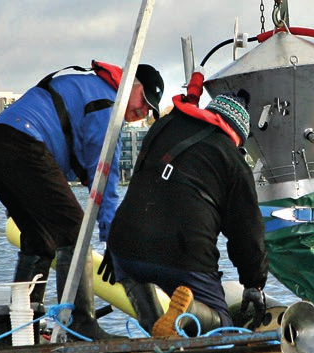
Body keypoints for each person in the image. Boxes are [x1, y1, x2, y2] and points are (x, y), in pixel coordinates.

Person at [0, 60, 163, 340]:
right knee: (75, 232)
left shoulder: (93, 90)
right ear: (131, 85)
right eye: (144, 100)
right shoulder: (106, 103)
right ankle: (80, 324)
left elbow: (94, 176)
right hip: (24, 142)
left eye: (150, 110)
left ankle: (22, 328)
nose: (143, 111)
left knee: (39, 241)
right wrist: (114, 240)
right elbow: (105, 178)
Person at [104, 90, 268, 338]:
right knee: (222, 326)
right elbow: (247, 233)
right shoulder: (234, 160)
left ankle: (158, 330)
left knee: (136, 282)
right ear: (238, 134)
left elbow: (138, 183)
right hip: (183, 255)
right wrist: (254, 283)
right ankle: (188, 312)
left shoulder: (163, 128)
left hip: (124, 246)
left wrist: (114, 244)